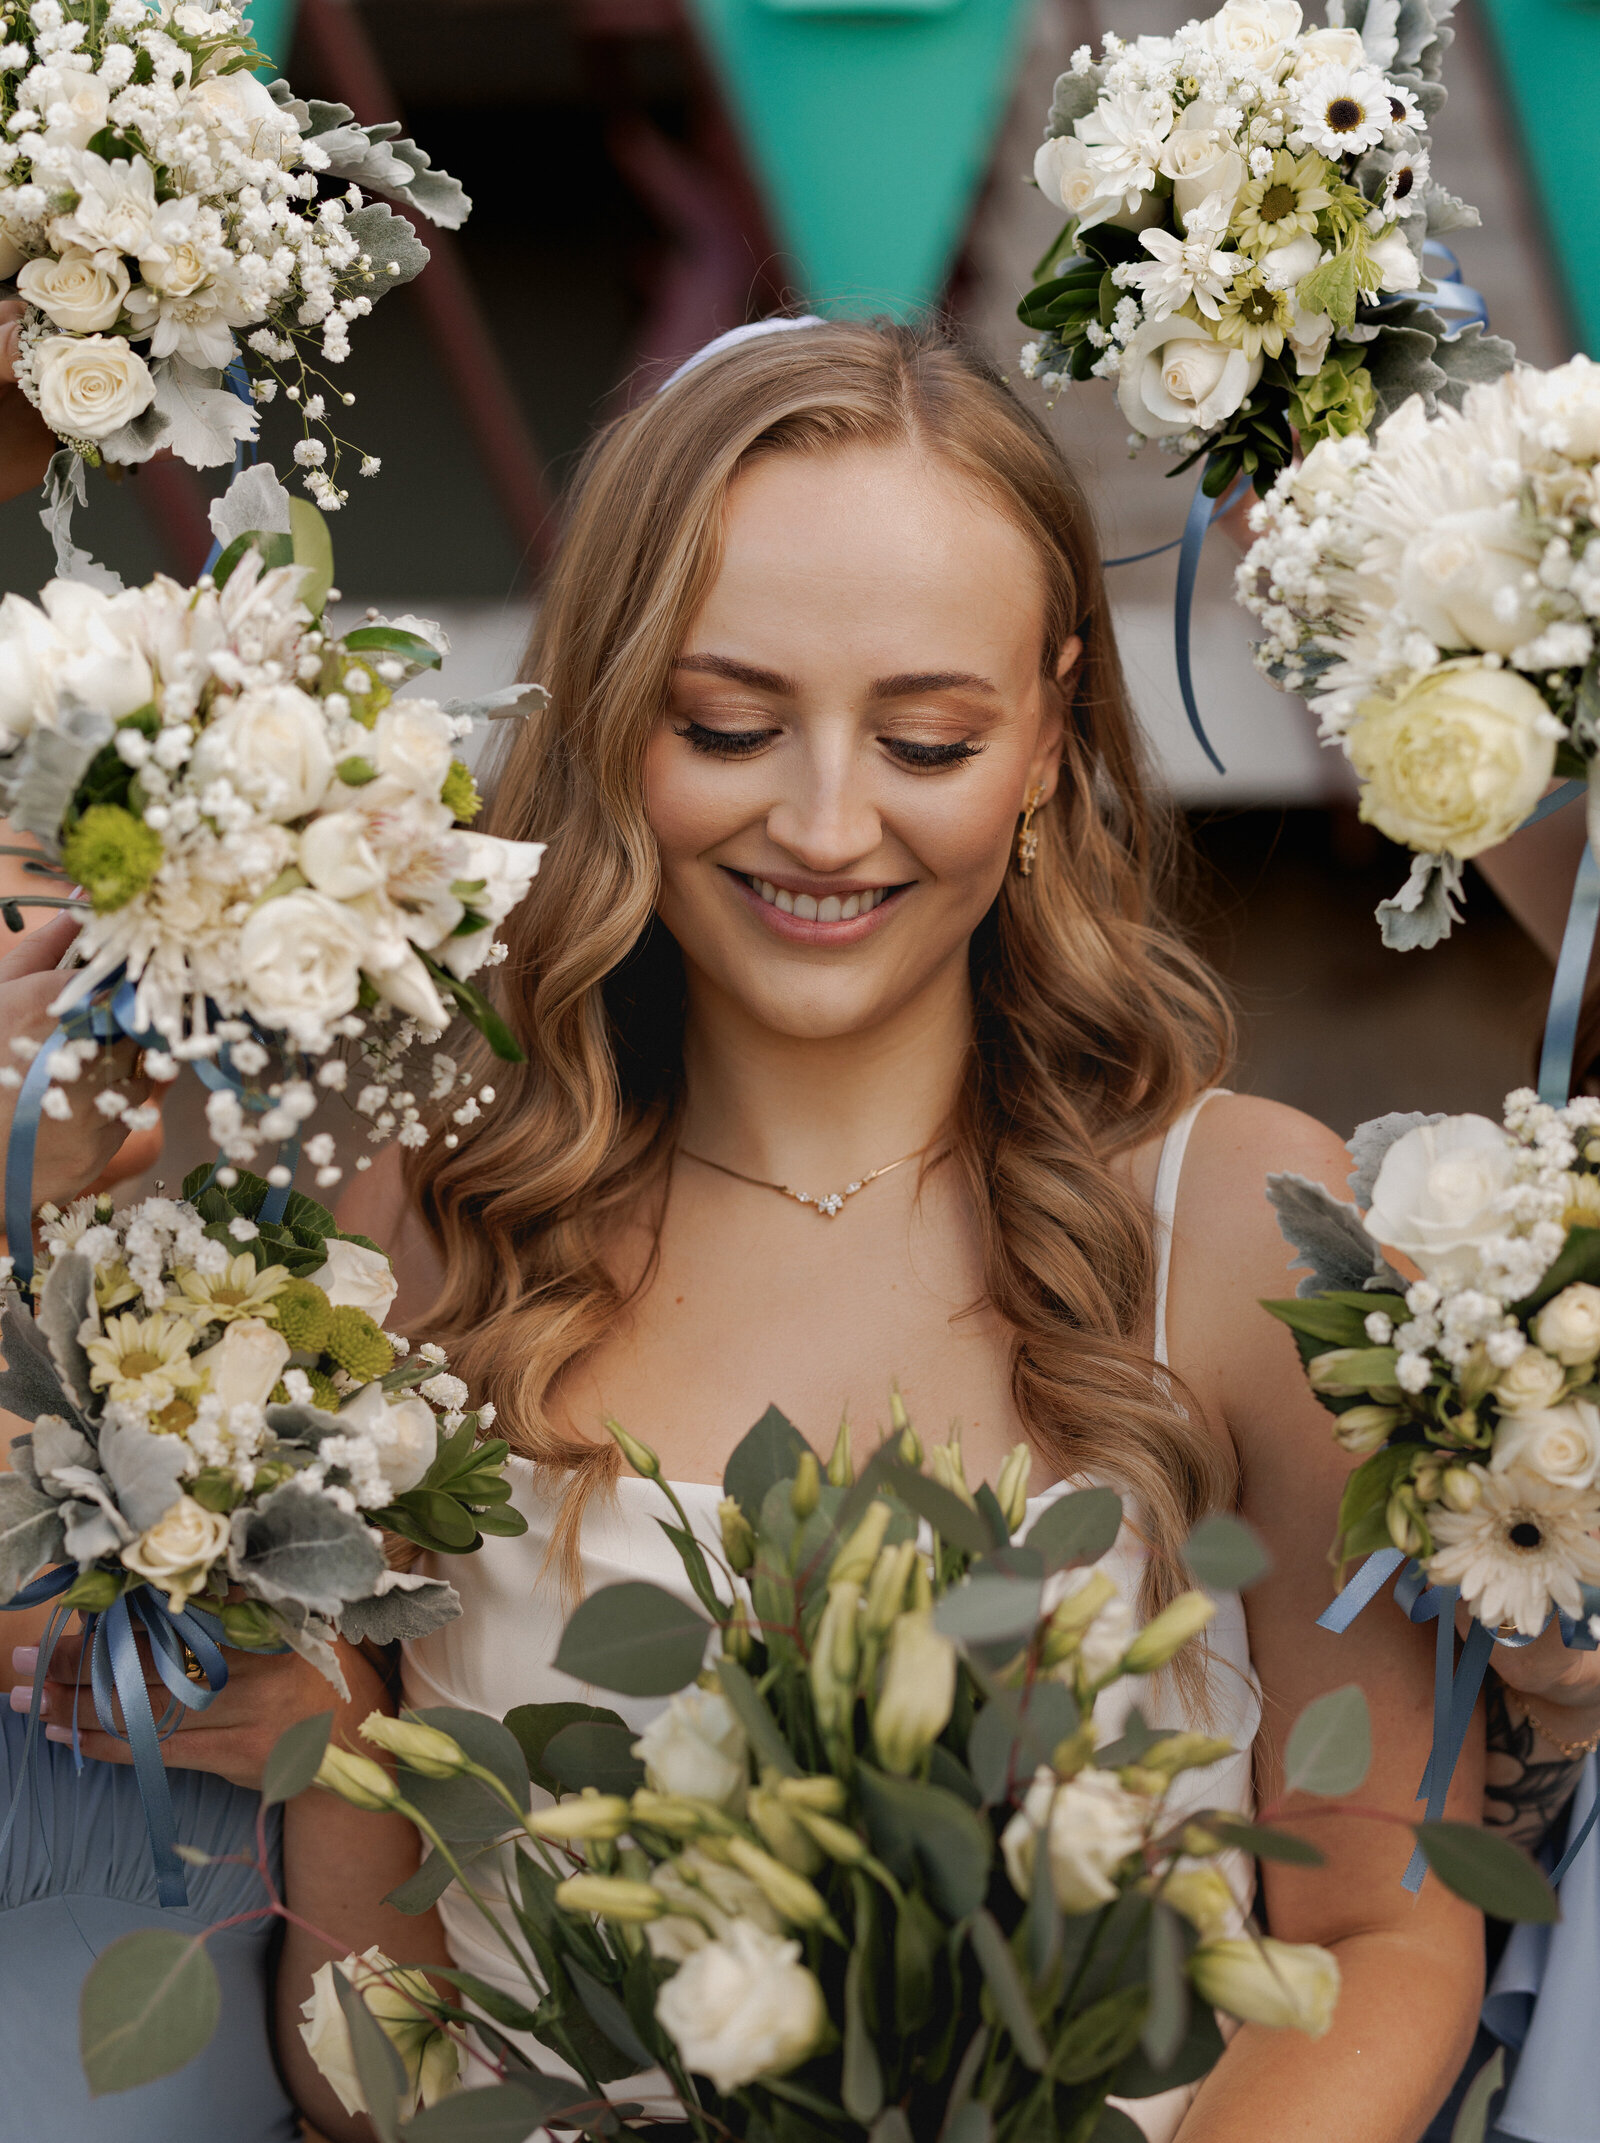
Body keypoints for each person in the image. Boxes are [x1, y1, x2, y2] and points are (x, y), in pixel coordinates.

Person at [301, 316, 1483, 2142]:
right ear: (613, 712)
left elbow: (1386, 1934)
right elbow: (362, 1988)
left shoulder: (1241, 1228)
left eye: (927, 737)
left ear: (1045, 736)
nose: (829, 821)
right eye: (729, 723)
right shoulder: (423, 1233)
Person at [0, 301, 417, 2142]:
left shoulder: (282, 1374)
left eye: (56, 883)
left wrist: (343, 1767)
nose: (33, 944)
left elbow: (381, 2077)